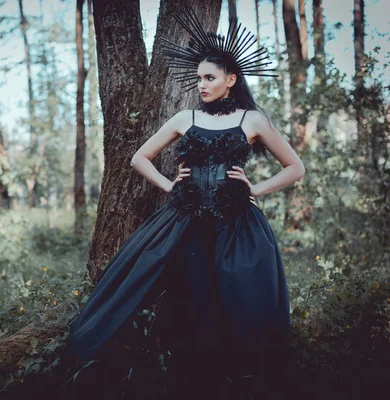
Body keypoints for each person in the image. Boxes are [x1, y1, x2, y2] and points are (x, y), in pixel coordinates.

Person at [66, 9, 305, 400]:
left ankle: (244, 380)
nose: (202, 85)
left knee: (241, 298)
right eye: (198, 78)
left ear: (231, 79)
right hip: (186, 221)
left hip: (237, 225)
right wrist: (169, 184)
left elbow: (295, 167)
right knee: (194, 300)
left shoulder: (253, 120)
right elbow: (138, 158)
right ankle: (192, 379)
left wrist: (255, 189)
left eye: (209, 78)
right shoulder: (185, 117)